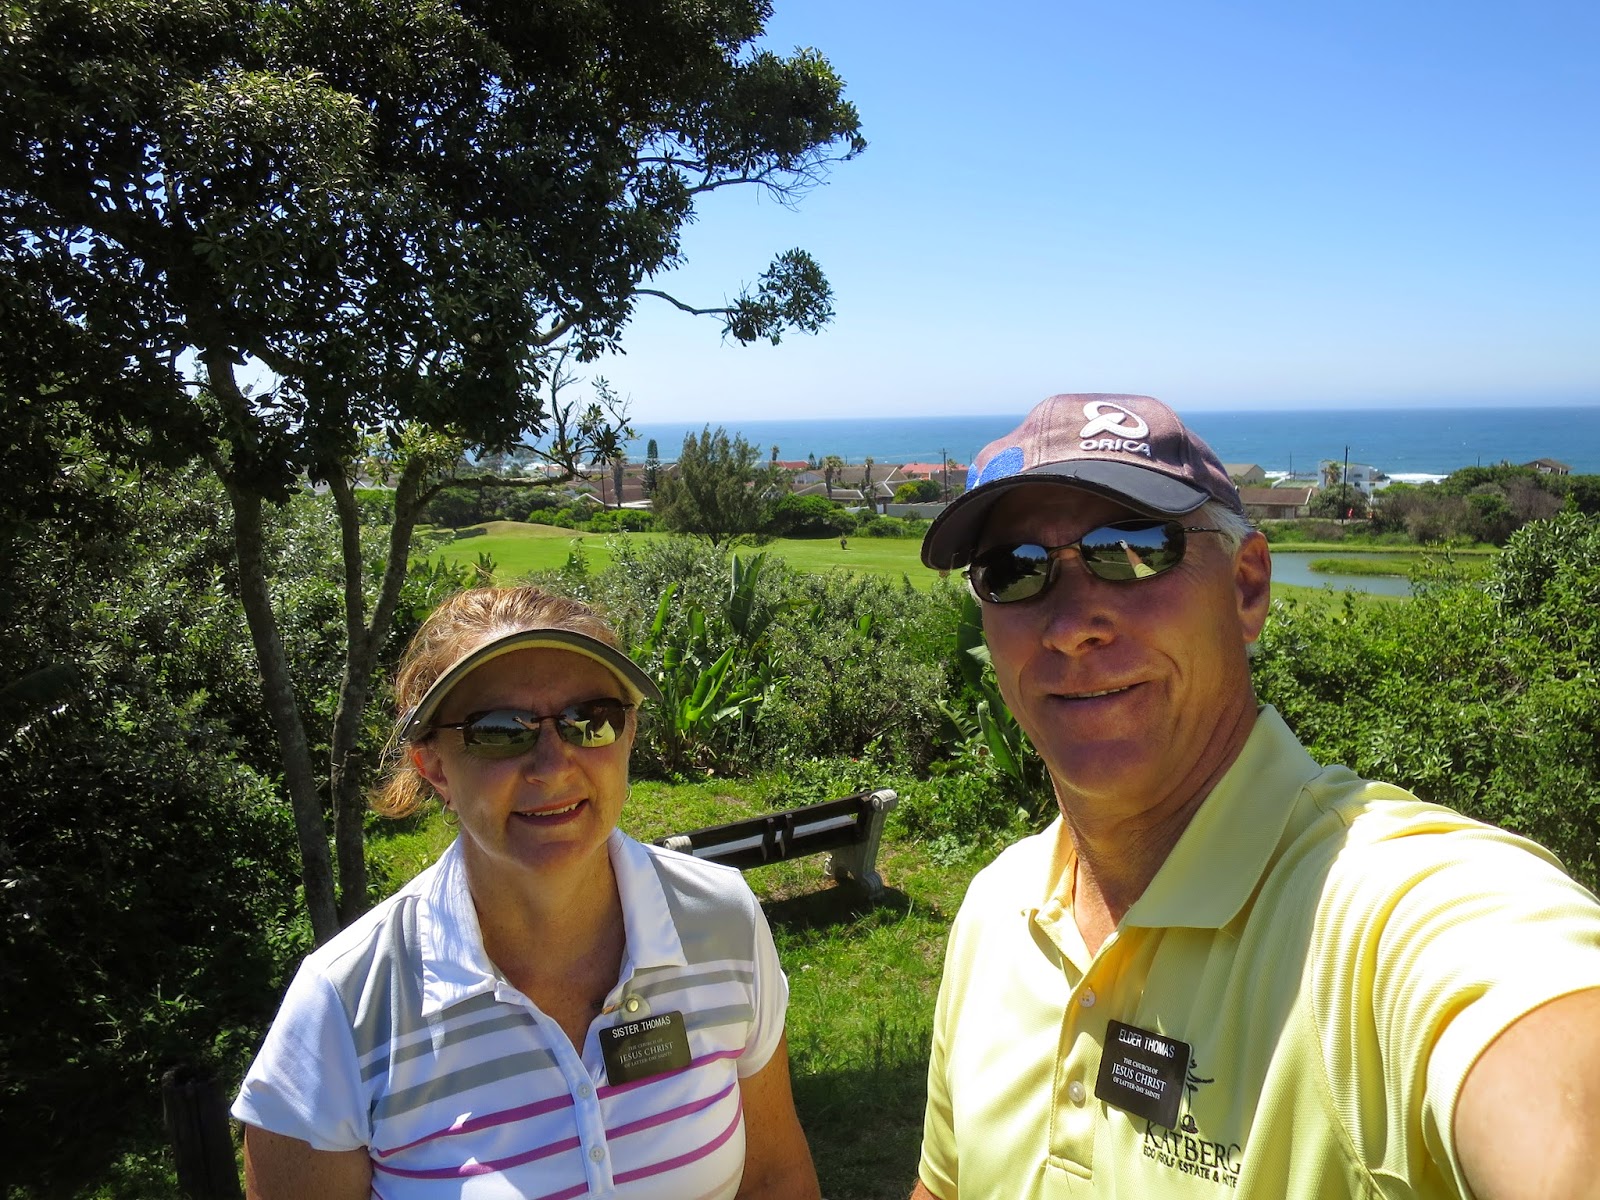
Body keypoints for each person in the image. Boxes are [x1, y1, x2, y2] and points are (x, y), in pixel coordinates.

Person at [910, 393, 1600, 1200]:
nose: (1069, 627)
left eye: (1132, 550)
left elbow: (1538, 1039)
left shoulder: (1378, 913)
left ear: (1247, 586)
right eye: (1013, 570)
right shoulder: (998, 910)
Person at [233, 586, 819, 1199]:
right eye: (500, 731)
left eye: (590, 719)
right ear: (434, 766)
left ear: (628, 735)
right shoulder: (345, 1006)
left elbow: (774, 1178)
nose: (553, 764)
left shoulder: (720, 919)